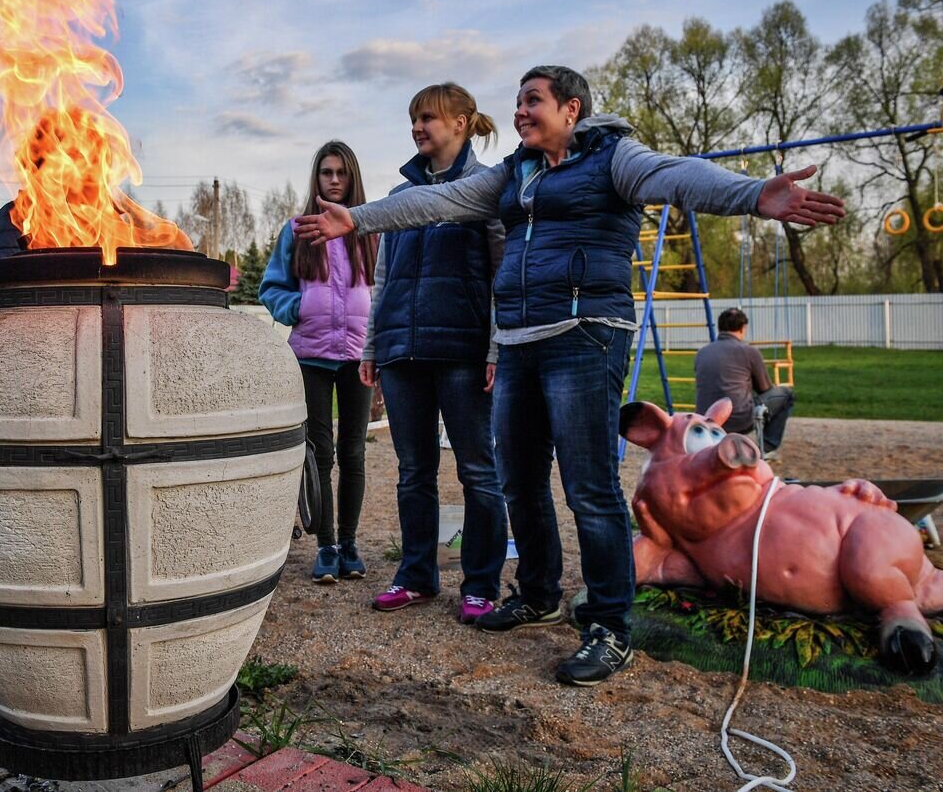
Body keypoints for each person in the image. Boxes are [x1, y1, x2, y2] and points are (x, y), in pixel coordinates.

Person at [294, 65, 844, 685]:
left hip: (586, 336)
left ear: (572, 109)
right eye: (520, 101)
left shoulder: (613, 158)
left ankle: (609, 625)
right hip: (522, 341)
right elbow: (438, 201)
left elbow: (680, 175)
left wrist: (752, 194)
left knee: (589, 486)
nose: (521, 113)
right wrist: (359, 219)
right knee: (521, 480)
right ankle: (538, 594)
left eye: (534, 101)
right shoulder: (514, 174)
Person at [361, 83, 508, 624]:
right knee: (412, 471)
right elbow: (383, 278)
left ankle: (480, 584)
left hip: (463, 352)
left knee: (477, 470)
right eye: (414, 119)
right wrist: (374, 345)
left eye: (428, 118)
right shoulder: (399, 198)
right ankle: (416, 575)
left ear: (462, 123)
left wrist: (493, 346)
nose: (418, 128)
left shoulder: (484, 193)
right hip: (401, 352)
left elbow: (502, 276)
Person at [260, 141, 377, 584]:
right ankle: (325, 546)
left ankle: (349, 544)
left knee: (354, 452)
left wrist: (377, 343)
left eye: (341, 173)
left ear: (352, 178)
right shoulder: (298, 229)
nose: (333, 179)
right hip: (310, 355)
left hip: (358, 356)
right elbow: (271, 288)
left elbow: (383, 290)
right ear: (317, 177)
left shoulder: (369, 230)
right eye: (326, 172)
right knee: (321, 453)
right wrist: (300, 307)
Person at [695, 307, 794, 458]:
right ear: (742, 329)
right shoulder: (749, 351)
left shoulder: (702, 353)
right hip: (738, 419)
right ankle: (765, 447)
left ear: (720, 328)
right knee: (786, 395)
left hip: (707, 419)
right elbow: (764, 388)